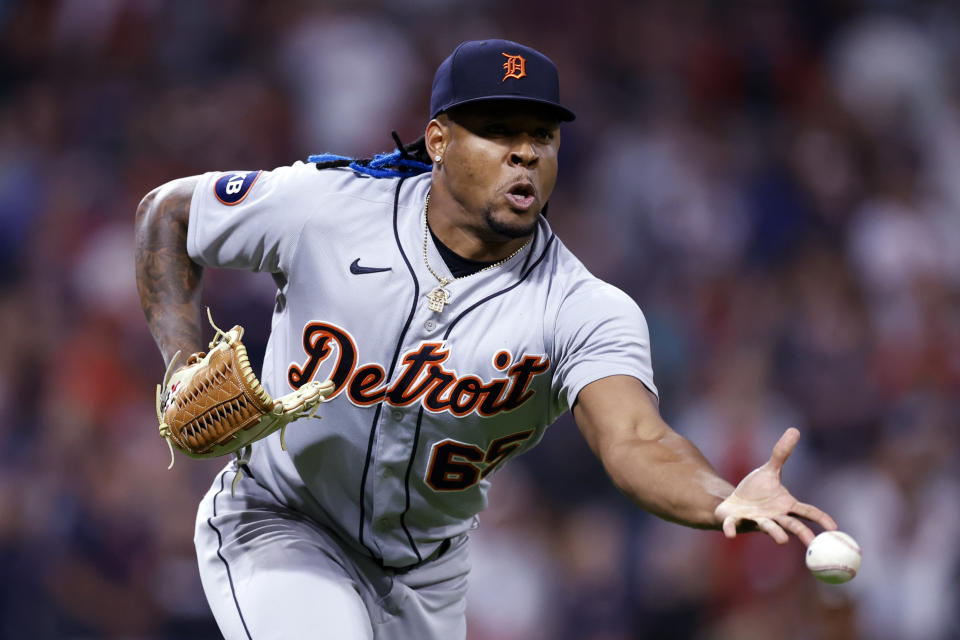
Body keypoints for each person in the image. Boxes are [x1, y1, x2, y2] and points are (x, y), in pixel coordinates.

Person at [135, 38, 837, 640]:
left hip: (426, 575)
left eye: (542, 135)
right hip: (281, 522)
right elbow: (166, 213)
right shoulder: (328, 208)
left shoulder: (581, 308)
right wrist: (181, 360)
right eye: (499, 131)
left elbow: (637, 441)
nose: (525, 154)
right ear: (438, 140)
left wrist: (720, 497)